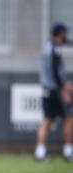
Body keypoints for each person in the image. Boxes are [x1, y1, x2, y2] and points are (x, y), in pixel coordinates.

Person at [35, 23, 73, 161]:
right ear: (60, 33)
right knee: (69, 117)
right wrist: (63, 88)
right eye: (64, 33)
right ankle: (68, 152)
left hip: (47, 88)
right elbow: (55, 72)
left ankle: (40, 152)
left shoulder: (47, 47)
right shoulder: (54, 49)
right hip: (54, 89)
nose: (66, 36)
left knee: (47, 119)